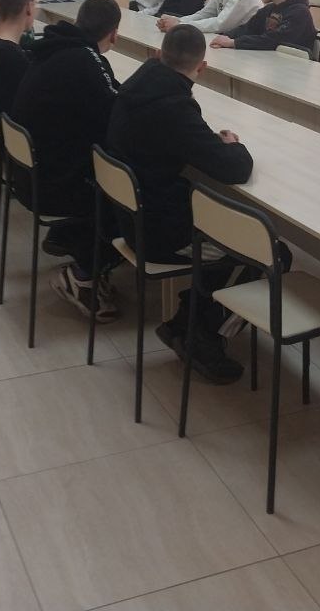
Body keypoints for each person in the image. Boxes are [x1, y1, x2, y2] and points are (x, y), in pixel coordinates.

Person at [105, 24, 255, 384]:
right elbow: (234, 169)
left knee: (238, 229)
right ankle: (201, 334)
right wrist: (234, 146)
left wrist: (207, 143)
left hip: (130, 216)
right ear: (202, 67)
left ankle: (185, 322)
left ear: (158, 55)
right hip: (160, 233)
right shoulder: (174, 106)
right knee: (266, 253)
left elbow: (182, 141)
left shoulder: (137, 87)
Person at [12, 0, 122, 322]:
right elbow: (117, 116)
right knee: (135, 198)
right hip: (56, 184)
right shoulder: (86, 60)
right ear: (114, 34)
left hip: (30, 173)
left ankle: (70, 239)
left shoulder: (54, 49)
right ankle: (82, 275)